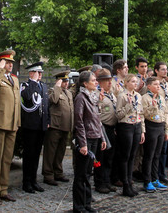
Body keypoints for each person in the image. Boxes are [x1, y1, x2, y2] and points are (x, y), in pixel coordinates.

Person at [0, 50, 20, 205]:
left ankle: (3, 189)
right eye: (7, 62)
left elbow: (16, 103)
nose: (10, 65)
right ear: (1, 63)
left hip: (12, 123)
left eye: (11, 63)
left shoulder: (14, 79)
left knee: (7, 159)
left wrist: (17, 122)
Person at [72, 71, 106, 213]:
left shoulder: (93, 96)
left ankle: (87, 204)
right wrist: (83, 143)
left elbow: (97, 120)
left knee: (88, 173)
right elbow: (79, 121)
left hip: (94, 137)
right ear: (85, 83)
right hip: (85, 138)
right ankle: (79, 206)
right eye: (93, 80)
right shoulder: (81, 97)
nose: (96, 82)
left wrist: (102, 137)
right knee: (81, 174)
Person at [19, 61, 49, 193]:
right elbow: (26, 97)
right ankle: (26, 182)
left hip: (40, 126)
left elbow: (46, 106)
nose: (40, 75)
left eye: (41, 72)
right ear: (31, 73)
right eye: (37, 72)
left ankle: (33, 180)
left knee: (36, 155)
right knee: (29, 155)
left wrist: (47, 121)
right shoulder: (26, 85)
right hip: (30, 126)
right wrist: (32, 81)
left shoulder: (43, 86)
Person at [115, 74, 145, 197]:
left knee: (133, 155)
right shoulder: (122, 96)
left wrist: (143, 130)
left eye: (136, 82)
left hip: (136, 125)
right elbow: (118, 115)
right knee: (125, 155)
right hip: (126, 126)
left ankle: (130, 181)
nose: (135, 84)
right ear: (126, 82)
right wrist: (128, 105)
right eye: (132, 81)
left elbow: (141, 113)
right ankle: (125, 183)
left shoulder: (138, 96)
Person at [42, 71, 73, 186]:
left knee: (60, 152)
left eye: (66, 81)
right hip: (55, 126)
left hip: (65, 126)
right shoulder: (53, 91)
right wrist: (57, 86)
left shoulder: (68, 93)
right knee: (50, 152)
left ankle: (58, 172)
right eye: (63, 81)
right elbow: (53, 100)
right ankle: (48, 174)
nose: (66, 83)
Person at [140, 77, 168, 192]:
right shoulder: (145, 98)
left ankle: (155, 178)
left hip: (160, 126)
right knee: (149, 155)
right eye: (156, 84)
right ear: (149, 86)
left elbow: (165, 113)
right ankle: (147, 181)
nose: (158, 86)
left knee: (157, 154)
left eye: (159, 85)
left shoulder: (161, 98)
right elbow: (143, 114)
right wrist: (152, 106)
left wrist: (166, 129)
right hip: (151, 126)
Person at [94, 69, 116, 193]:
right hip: (102, 128)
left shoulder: (111, 94)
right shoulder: (97, 95)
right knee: (100, 158)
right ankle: (99, 182)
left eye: (110, 80)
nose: (109, 82)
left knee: (109, 158)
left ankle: (107, 181)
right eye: (106, 80)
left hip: (112, 128)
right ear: (100, 82)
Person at [154, 62, 168, 184]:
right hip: (157, 118)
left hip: (166, 118)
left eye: (166, 69)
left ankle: (162, 174)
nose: (165, 72)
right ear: (156, 70)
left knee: (164, 150)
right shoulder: (154, 84)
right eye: (162, 69)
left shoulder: (167, 85)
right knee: (156, 150)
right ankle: (155, 175)